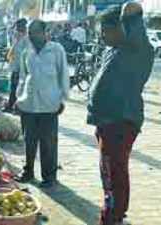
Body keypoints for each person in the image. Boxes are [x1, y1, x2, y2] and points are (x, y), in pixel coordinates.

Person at [87, 3, 154, 225]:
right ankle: (113, 213)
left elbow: (133, 12)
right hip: (107, 122)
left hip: (120, 122)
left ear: (122, 28)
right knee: (108, 171)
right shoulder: (112, 50)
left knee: (114, 173)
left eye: (106, 30)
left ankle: (113, 217)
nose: (102, 35)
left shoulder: (136, 49)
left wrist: (130, 15)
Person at [16, 20, 69, 188]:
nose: (32, 36)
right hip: (29, 103)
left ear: (45, 32)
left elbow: (64, 75)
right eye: (30, 33)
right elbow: (23, 77)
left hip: (50, 104)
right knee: (29, 140)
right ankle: (28, 171)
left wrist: (62, 99)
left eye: (36, 32)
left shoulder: (56, 50)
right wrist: (18, 97)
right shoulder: (27, 51)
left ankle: (49, 176)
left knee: (48, 142)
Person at [6, 18, 29, 111]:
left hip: (22, 68)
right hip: (15, 66)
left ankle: (18, 107)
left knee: (20, 88)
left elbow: (24, 54)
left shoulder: (26, 39)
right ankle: (11, 105)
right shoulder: (16, 38)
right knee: (13, 87)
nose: (16, 29)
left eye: (17, 27)